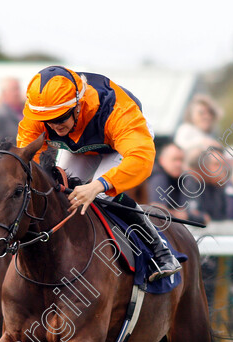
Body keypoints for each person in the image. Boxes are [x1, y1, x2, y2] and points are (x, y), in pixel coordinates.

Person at [17, 65, 180, 281]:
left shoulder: (118, 110)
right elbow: (27, 159)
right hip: (80, 146)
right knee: (63, 193)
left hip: (119, 144)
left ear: (77, 105)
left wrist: (99, 185)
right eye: (49, 121)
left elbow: (140, 159)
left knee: (101, 195)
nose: (54, 126)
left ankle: (160, 252)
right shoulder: (39, 112)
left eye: (60, 118)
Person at [0, 77, 23, 145]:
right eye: (14, 89)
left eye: (18, 89)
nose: (17, 93)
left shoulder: (27, 111)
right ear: (4, 93)